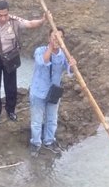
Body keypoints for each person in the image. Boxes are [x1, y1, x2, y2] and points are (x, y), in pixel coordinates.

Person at [29, 27, 76, 157]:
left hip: (53, 93)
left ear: (63, 40)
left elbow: (71, 72)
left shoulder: (64, 55)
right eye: (54, 37)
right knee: (37, 120)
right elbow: (42, 62)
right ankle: (35, 143)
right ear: (49, 38)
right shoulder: (40, 51)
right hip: (38, 91)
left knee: (52, 119)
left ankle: (49, 141)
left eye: (59, 37)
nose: (56, 40)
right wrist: (51, 47)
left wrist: (72, 64)